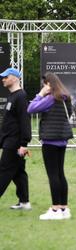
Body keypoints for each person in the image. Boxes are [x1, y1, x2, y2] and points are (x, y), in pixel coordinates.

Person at [27, 72, 73, 220]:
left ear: (49, 84)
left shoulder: (50, 99)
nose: (43, 86)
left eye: (44, 84)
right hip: (62, 139)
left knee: (53, 174)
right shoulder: (66, 97)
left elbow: (31, 108)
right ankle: (64, 209)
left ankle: (55, 210)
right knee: (60, 173)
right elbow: (69, 114)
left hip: (50, 141)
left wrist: (40, 94)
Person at [0, 68, 32, 210]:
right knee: (18, 172)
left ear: (14, 78)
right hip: (10, 141)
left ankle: (24, 202)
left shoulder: (21, 96)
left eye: (5, 77)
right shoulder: (12, 96)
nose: (3, 79)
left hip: (14, 143)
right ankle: (24, 202)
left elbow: (25, 121)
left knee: (4, 171)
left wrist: (23, 143)